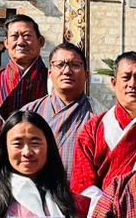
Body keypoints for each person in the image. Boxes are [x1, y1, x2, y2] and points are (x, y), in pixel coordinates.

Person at [70, 51, 136, 218]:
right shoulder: (93, 128)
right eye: (126, 77)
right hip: (102, 217)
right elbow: (82, 183)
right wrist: (109, 209)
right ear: (114, 83)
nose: (132, 84)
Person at [23, 42, 101, 173]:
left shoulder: (99, 116)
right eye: (60, 65)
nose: (67, 71)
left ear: (86, 75)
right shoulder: (29, 112)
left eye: (75, 65)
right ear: (50, 73)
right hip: (35, 192)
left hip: (81, 192)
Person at [0, 14, 49, 115]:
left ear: (41, 41)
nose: (21, 42)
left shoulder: (52, 80)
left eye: (27, 36)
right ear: (6, 43)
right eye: (14, 36)